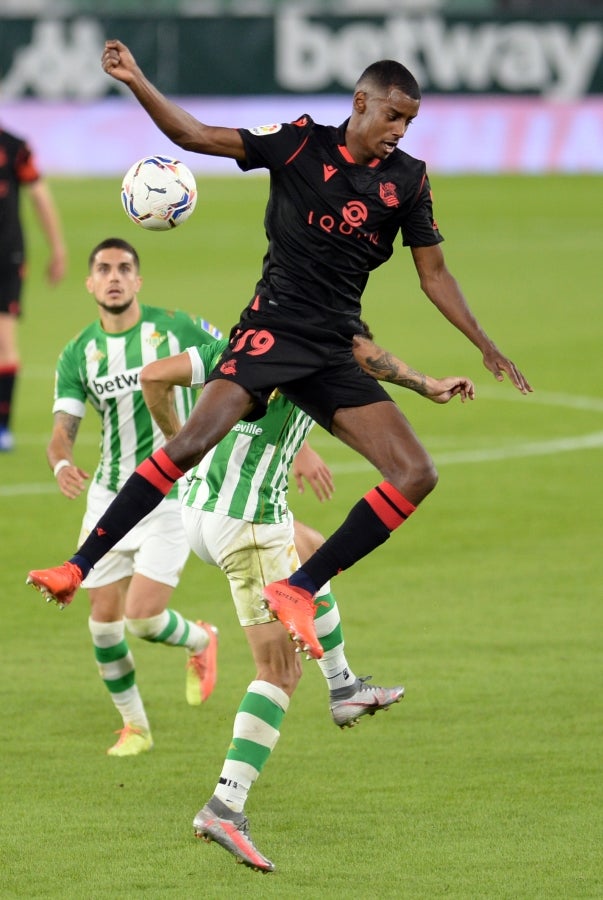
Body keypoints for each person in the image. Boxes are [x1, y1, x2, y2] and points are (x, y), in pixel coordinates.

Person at [27, 45, 531, 662]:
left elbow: (434, 273)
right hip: (270, 334)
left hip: (336, 347)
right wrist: (135, 79)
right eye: (393, 116)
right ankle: (77, 568)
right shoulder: (297, 144)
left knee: (416, 474)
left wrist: (483, 343)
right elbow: (193, 135)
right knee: (187, 444)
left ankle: (299, 587)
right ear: (360, 104)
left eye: (410, 122)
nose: (400, 131)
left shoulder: (409, 181)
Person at [137, 326, 474, 872]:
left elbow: (154, 376)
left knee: (313, 550)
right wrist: (426, 384)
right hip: (248, 523)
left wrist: (184, 443)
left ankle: (344, 686)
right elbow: (361, 356)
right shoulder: (319, 340)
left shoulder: (238, 339)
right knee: (278, 671)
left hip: (199, 508)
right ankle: (226, 805)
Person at [44, 237, 223, 756]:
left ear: (138, 280)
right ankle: (136, 727)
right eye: (104, 268)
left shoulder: (177, 328)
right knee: (102, 621)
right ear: (91, 282)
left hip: (169, 494)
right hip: (107, 496)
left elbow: (241, 364)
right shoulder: (78, 353)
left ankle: (201, 639)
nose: (114, 276)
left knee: (143, 617)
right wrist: (60, 462)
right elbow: (63, 428)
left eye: (124, 268)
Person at [0, 124, 67, 451]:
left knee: (4, 342)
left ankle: (2, 428)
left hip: (6, 257)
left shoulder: (13, 147)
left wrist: (57, 248)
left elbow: (40, 195)